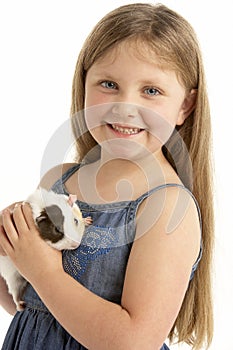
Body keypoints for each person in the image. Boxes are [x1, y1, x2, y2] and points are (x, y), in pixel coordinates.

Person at [0, 3, 214, 350]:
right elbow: (30, 308)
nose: (126, 105)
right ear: (83, 84)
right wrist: (11, 250)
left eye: (151, 91)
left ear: (184, 107)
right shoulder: (58, 179)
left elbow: (134, 342)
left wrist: (45, 271)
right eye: (109, 84)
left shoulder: (166, 207)